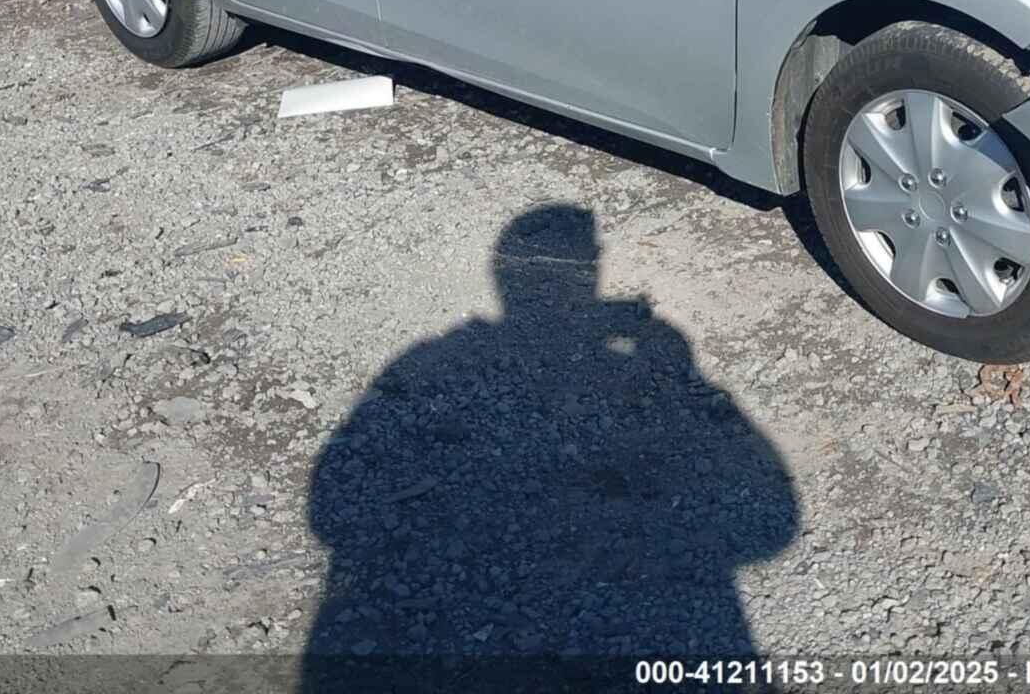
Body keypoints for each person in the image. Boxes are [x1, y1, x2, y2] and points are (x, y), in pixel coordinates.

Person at [305, 202, 798, 674]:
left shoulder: (434, 359)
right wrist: (671, 367)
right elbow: (772, 524)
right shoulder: (644, 355)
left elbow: (331, 507)